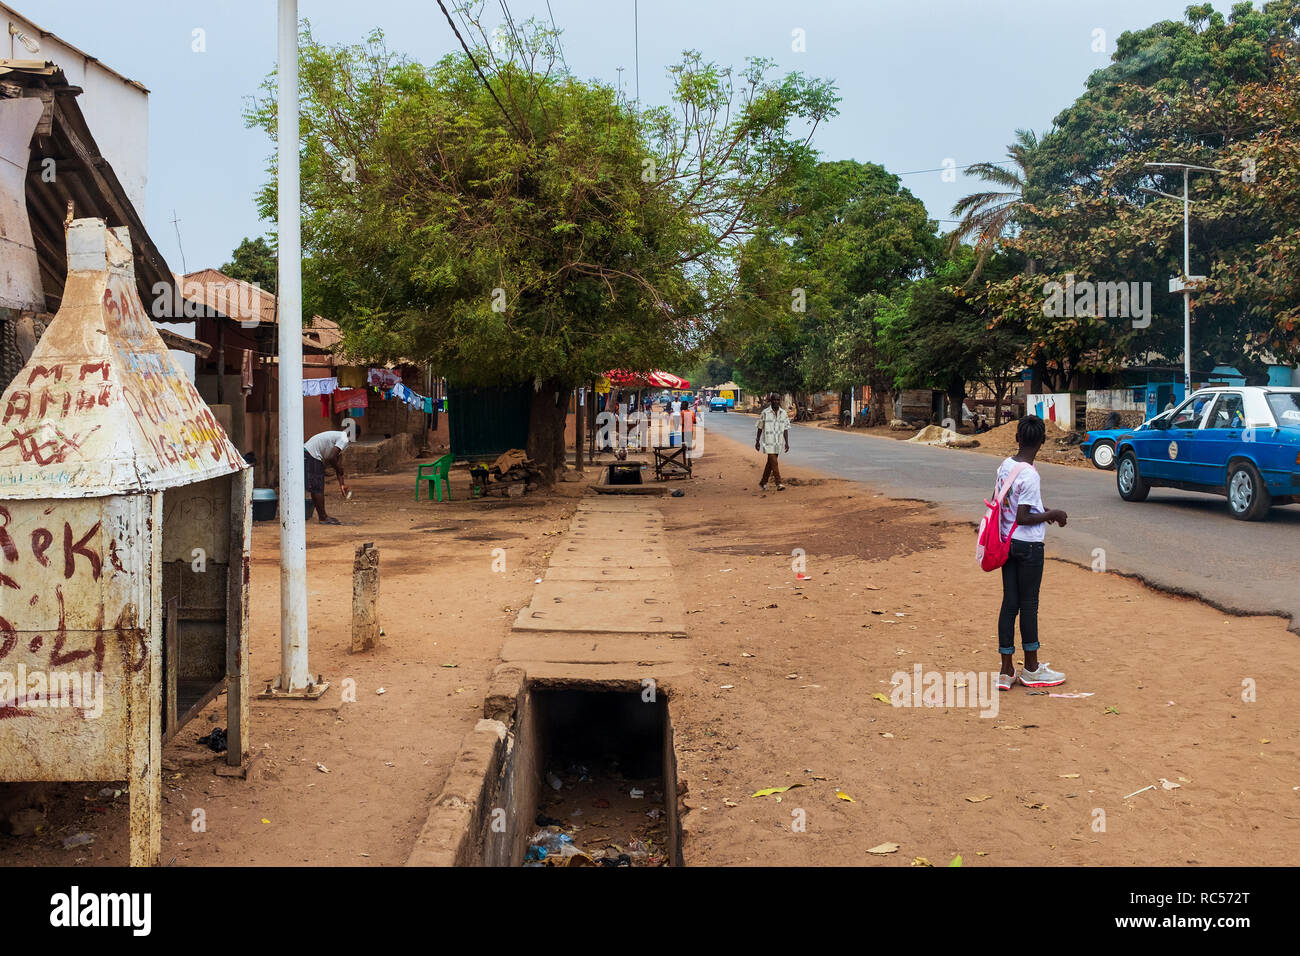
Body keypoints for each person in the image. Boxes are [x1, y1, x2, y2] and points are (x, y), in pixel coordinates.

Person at [995, 415, 1068, 691]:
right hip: (1028, 547)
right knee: (1030, 605)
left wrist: (1042, 510)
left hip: (1007, 543)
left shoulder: (1006, 466)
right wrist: (1054, 514)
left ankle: (1005, 670)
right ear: (1042, 442)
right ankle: (1032, 668)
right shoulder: (1031, 474)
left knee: (1009, 603)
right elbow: (1024, 516)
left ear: (1016, 439)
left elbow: (1011, 504)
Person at [304, 429, 351, 525]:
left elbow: (338, 466)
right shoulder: (344, 439)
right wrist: (338, 467)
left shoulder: (340, 441)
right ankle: (323, 517)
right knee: (317, 487)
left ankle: (323, 516)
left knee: (316, 487)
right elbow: (331, 458)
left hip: (308, 452)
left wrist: (342, 485)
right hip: (311, 454)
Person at [755, 392, 790, 492]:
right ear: (771, 400)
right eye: (774, 399)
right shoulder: (765, 413)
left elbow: (786, 428)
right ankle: (778, 483)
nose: (776, 402)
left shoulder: (784, 413)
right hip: (768, 441)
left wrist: (787, 443)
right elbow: (760, 427)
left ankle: (763, 481)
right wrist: (757, 441)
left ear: (780, 401)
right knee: (774, 462)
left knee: (770, 463)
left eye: (778, 400)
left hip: (778, 442)